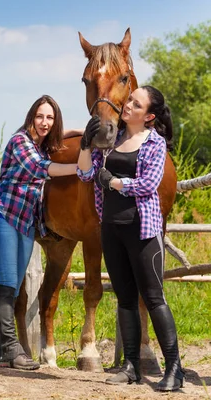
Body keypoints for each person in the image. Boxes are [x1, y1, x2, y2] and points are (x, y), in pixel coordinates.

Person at [77, 86, 184, 392]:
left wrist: (114, 182)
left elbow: (149, 184)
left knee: (153, 299)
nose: (128, 105)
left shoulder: (154, 143)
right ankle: (131, 366)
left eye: (136, 104)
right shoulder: (111, 141)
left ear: (148, 116)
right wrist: (86, 144)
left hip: (142, 230)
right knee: (124, 299)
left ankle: (174, 368)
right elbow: (86, 175)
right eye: (130, 100)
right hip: (110, 228)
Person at [0, 95, 78, 370]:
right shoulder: (21, 142)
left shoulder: (42, 145)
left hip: (24, 224)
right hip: (3, 218)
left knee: (12, 284)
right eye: (40, 116)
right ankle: (12, 349)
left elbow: (60, 136)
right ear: (31, 117)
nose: (44, 122)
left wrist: (84, 130)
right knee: (8, 284)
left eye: (50, 118)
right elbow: (40, 168)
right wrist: (79, 169)